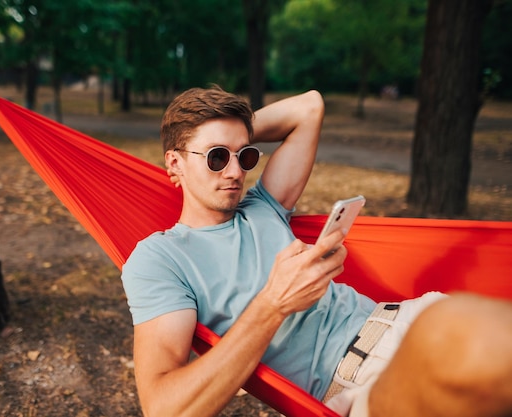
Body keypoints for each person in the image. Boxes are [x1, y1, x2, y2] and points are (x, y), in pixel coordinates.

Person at [121, 86, 512, 417]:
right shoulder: (160, 258)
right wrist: (273, 304)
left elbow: (309, 106)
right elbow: (163, 406)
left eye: (246, 155)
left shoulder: (262, 205)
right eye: (217, 157)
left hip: (403, 318)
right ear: (174, 163)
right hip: (360, 381)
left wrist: (231, 132)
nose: (236, 171)